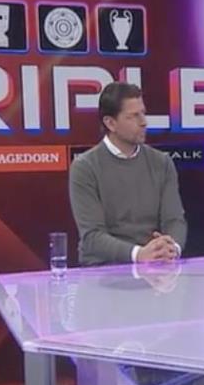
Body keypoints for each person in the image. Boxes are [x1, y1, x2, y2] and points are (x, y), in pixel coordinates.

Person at [69, 82, 187, 265]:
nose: (143, 122)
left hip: (155, 266)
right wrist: (139, 254)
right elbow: (92, 236)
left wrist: (172, 249)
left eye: (143, 113)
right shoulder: (85, 167)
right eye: (133, 116)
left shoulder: (161, 163)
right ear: (110, 123)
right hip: (103, 271)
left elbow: (174, 220)